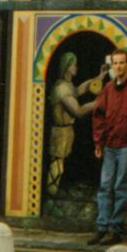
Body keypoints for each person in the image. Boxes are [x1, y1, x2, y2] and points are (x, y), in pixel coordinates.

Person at [88, 48, 127, 246]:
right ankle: (102, 227)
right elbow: (98, 115)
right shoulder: (107, 88)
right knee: (105, 187)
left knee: (121, 188)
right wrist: (98, 141)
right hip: (109, 145)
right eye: (115, 63)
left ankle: (115, 229)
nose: (118, 66)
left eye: (121, 62)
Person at [46, 53, 109, 197]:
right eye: (73, 64)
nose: (76, 67)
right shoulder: (61, 88)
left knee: (60, 162)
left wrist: (100, 77)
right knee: (57, 164)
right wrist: (100, 102)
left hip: (66, 131)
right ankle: (52, 194)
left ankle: (55, 191)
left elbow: (80, 89)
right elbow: (79, 111)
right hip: (60, 133)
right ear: (67, 67)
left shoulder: (67, 84)